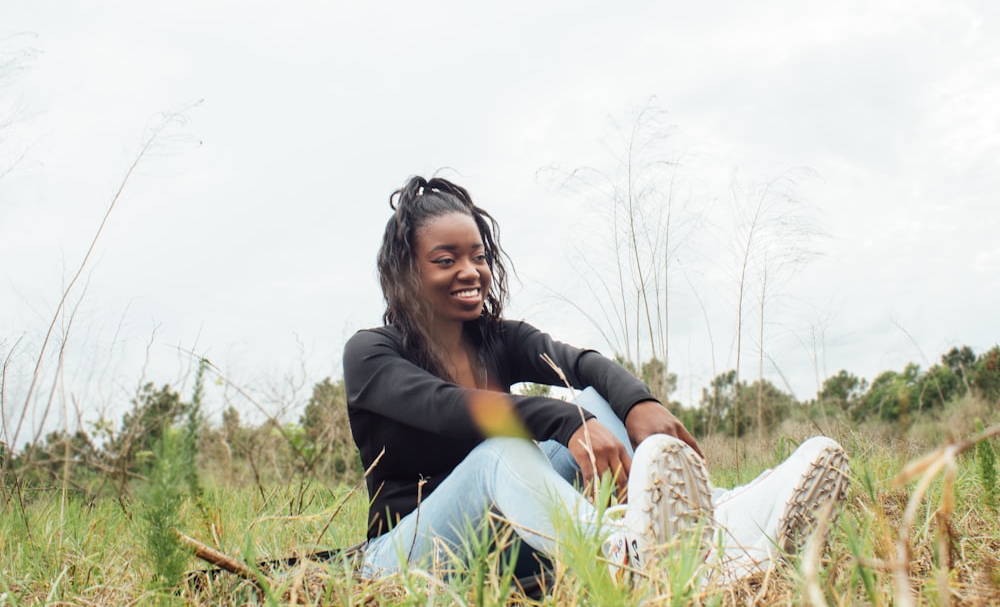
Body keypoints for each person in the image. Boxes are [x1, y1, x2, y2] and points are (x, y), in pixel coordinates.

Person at [343, 175, 848, 584]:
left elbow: (580, 363)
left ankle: (725, 518)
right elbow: (448, 407)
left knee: (597, 401)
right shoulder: (371, 354)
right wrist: (564, 419)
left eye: (478, 256)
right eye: (445, 260)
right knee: (504, 450)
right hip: (406, 555)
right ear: (406, 272)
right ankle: (624, 558)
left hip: (507, 547)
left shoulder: (497, 338)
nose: (471, 271)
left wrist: (636, 403)